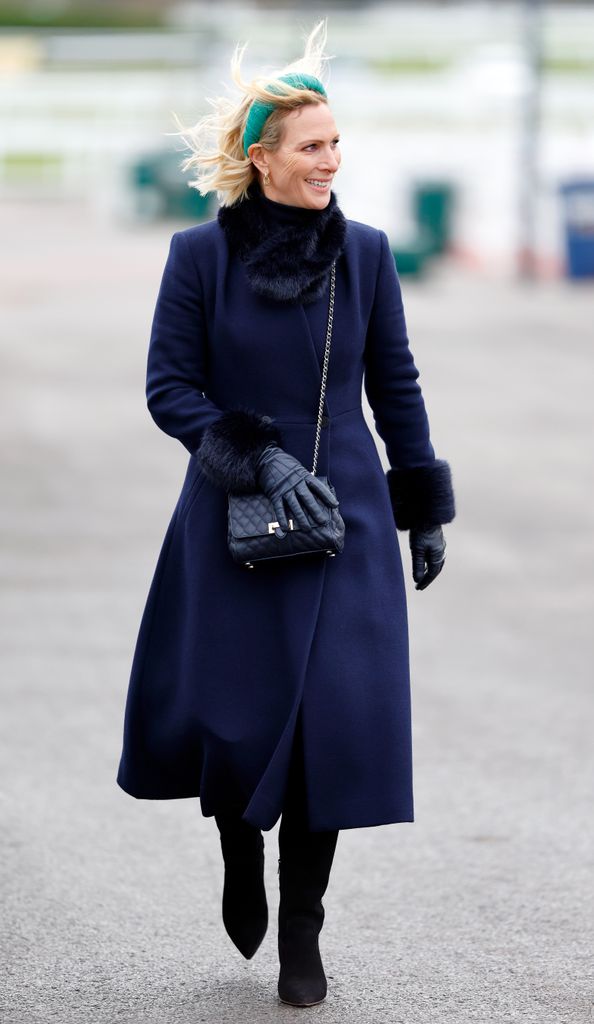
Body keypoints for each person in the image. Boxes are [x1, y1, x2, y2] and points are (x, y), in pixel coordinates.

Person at [116, 19, 456, 1009]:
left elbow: (395, 383)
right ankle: (236, 846)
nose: (331, 160)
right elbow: (169, 387)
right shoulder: (196, 258)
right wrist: (255, 458)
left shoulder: (368, 253)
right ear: (260, 159)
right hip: (231, 520)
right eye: (312, 146)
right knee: (236, 719)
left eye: (337, 144)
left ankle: (303, 931)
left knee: (332, 725)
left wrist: (419, 503)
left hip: (344, 518)